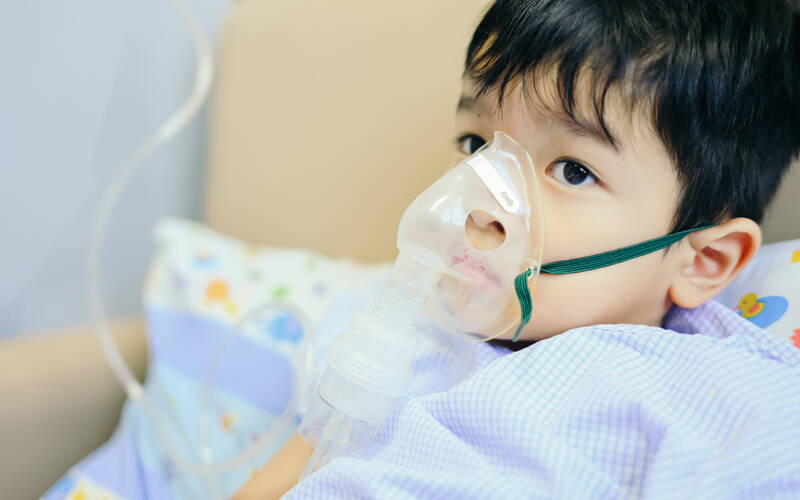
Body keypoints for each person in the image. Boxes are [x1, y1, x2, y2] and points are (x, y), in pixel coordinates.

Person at [235, 0, 800, 497]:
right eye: (474, 142)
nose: (481, 202)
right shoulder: (408, 336)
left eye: (573, 171)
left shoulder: (717, 405)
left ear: (703, 260)